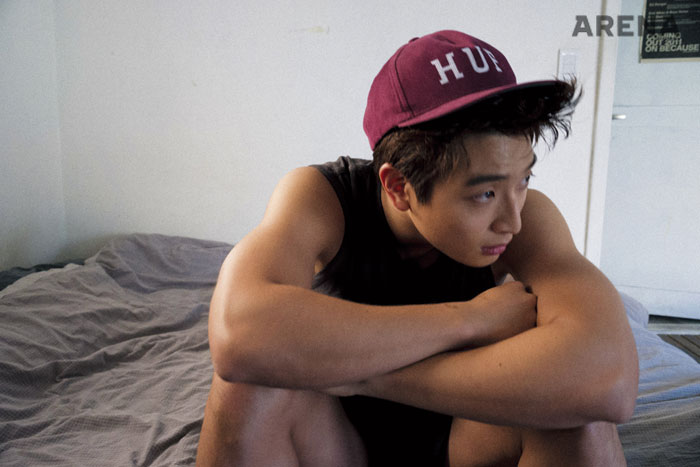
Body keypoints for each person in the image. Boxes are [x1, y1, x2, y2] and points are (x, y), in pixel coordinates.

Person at [196, 30, 639, 466]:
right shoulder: (324, 197)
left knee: (581, 417)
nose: (512, 220)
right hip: (337, 441)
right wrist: (470, 320)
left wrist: (366, 377)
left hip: (464, 432)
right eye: (484, 194)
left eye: (523, 180)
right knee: (248, 382)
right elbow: (238, 334)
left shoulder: (531, 218)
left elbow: (609, 378)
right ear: (399, 187)